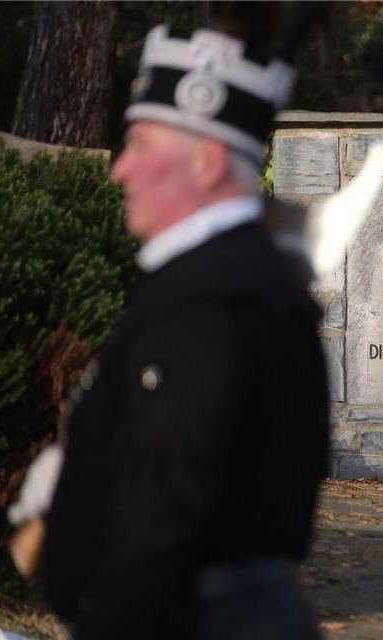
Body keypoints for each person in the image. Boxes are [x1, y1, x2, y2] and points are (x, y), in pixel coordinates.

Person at [41, 23, 329, 639]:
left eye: (141, 145)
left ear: (207, 159)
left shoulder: (213, 300)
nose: (121, 170)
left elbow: (170, 509)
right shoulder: (233, 280)